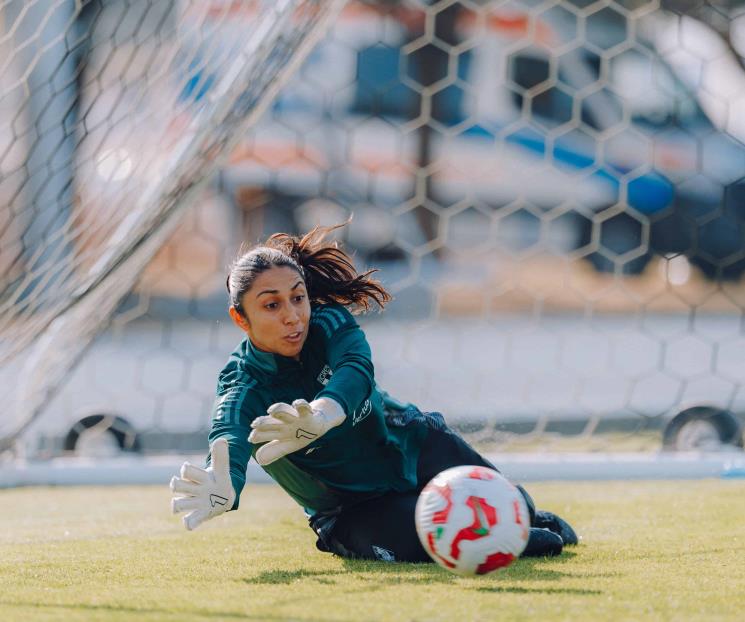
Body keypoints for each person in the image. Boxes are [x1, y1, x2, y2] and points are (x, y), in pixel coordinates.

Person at [169, 223, 578, 562]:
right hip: (352, 509)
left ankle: (525, 516)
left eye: (298, 297)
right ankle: (513, 532)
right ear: (241, 318)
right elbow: (228, 436)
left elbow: (355, 370)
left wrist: (325, 413)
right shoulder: (243, 386)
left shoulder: (329, 323)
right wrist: (224, 481)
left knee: (515, 511)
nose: (293, 316)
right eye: (271, 306)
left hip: (412, 446)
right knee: (429, 538)